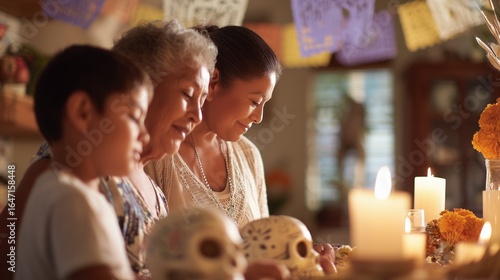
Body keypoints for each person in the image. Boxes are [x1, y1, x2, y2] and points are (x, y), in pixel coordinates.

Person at [0, 20, 218, 280]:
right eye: (188, 94)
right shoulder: (72, 167)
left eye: (203, 101)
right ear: (141, 82)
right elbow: (8, 257)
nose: (197, 115)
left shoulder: (156, 193)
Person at [15, 45, 152, 280]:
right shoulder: (73, 201)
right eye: (134, 116)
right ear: (83, 112)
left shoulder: (53, 188)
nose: (145, 135)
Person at [145, 25, 281, 228]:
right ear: (213, 83)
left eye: (264, 104)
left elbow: (267, 245)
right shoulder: (157, 154)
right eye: (254, 102)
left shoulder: (248, 155)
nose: (258, 117)